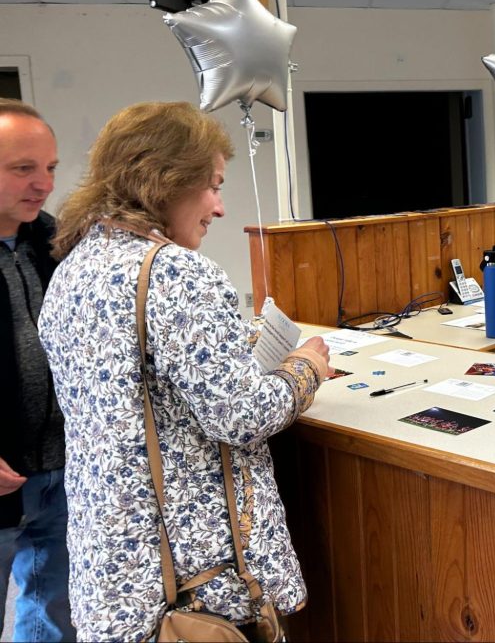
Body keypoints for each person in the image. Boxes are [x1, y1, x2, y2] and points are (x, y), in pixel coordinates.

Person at [36, 101, 331, 642]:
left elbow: (132, 381)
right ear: (166, 181)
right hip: (194, 577)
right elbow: (241, 416)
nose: (219, 207)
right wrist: (304, 368)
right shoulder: (178, 272)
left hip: (115, 565)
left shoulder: (74, 268)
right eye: (213, 185)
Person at [0, 99, 75, 642]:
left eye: (50, 167)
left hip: (62, 472)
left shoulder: (53, 241)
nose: (43, 183)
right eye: (23, 168)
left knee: (55, 620)